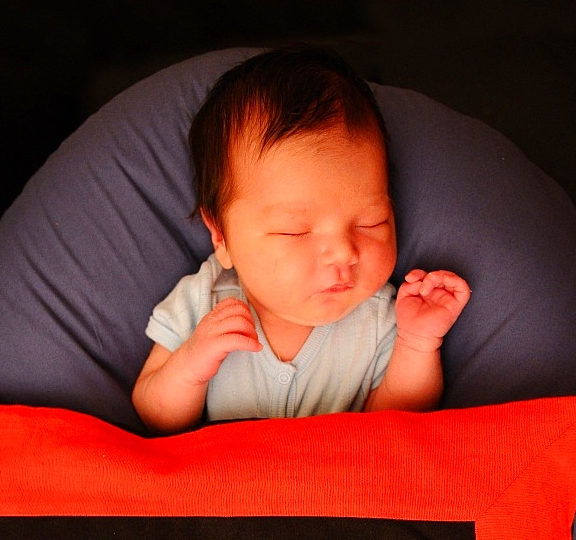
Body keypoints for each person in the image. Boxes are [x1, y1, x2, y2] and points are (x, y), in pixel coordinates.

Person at [132, 45, 471, 435]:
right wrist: (191, 365)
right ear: (221, 236)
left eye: (371, 222)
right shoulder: (204, 301)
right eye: (295, 230)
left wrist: (417, 343)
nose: (345, 251)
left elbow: (397, 427)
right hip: (224, 491)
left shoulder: (381, 318)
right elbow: (153, 414)